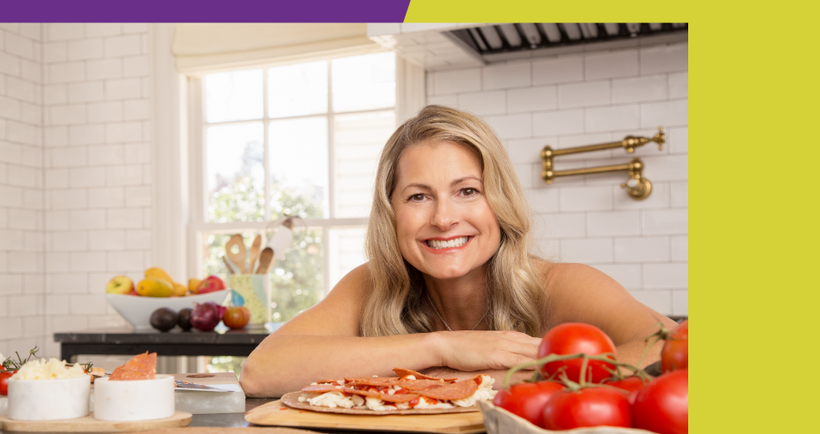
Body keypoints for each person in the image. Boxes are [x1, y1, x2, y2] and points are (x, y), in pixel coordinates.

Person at [240, 105, 676, 398]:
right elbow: (262, 370)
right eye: (418, 197)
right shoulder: (372, 283)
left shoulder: (561, 284)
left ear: (498, 202)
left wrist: (483, 378)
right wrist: (443, 347)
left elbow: (674, 348)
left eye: (467, 191)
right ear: (391, 212)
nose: (444, 218)